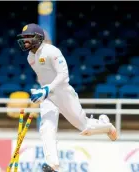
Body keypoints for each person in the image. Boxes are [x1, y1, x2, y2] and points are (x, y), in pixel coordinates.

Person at [16, 23, 117, 172]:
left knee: (85, 128)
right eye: (23, 38)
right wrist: (41, 92)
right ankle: (53, 164)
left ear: (38, 37)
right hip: (48, 96)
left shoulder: (51, 51)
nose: (24, 41)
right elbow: (44, 78)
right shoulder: (30, 57)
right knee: (46, 128)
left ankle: (106, 125)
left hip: (63, 92)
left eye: (27, 38)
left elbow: (63, 75)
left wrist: (46, 89)